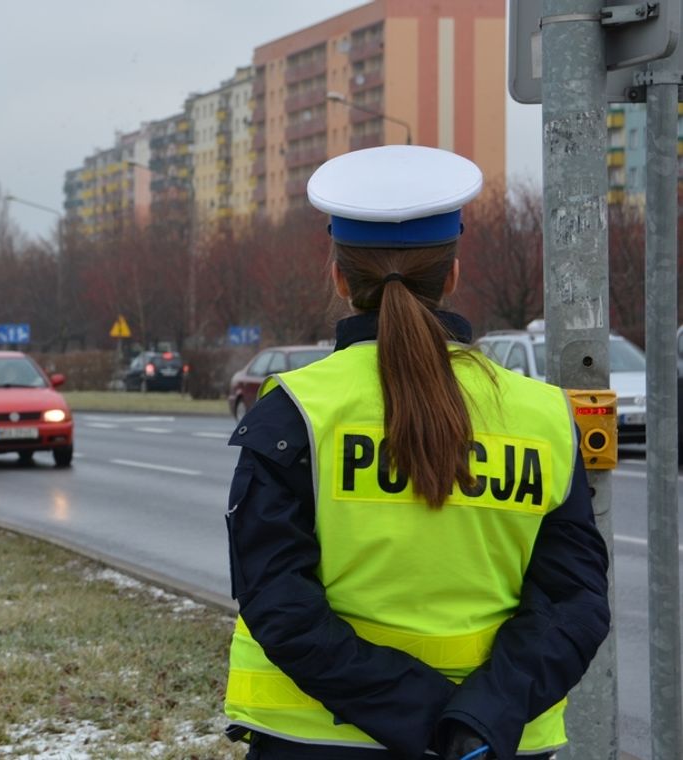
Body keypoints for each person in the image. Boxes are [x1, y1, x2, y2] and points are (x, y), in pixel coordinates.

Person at [222, 145, 610, 760]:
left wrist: (420, 716)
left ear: (340, 278)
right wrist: (474, 720)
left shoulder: (295, 412)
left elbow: (278, 601)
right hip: (495, 743)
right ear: (452, 276)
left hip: (323, 741)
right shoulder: (545, 416)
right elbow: (575, 603)